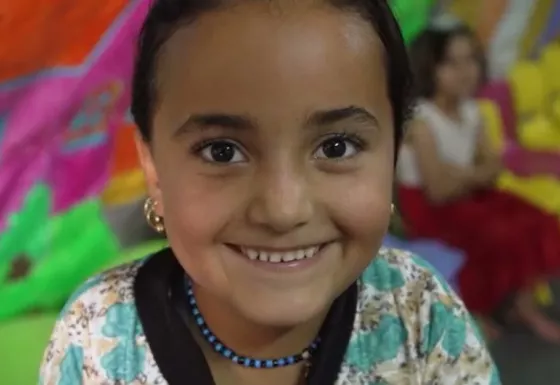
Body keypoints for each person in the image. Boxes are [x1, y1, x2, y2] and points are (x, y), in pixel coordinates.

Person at [39, 1, 498, 384]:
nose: (284, 209)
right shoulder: (97, 335)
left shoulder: (419, 312)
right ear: (153, 168)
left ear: (393, 153)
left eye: (337, 147)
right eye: (221, 152)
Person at [398, 24, 560, 343]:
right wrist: (474, 173)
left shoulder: (474, 112)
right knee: (494, 233)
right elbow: (438, 189)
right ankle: (475, 309)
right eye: (451, 63)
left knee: (539, 221)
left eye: (470, 60)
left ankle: (523, 306)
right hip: (429, 208)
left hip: (469, 196)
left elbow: (494, 169)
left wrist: (463, 173)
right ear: (430, 67)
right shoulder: (421, 120)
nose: (464, 72)